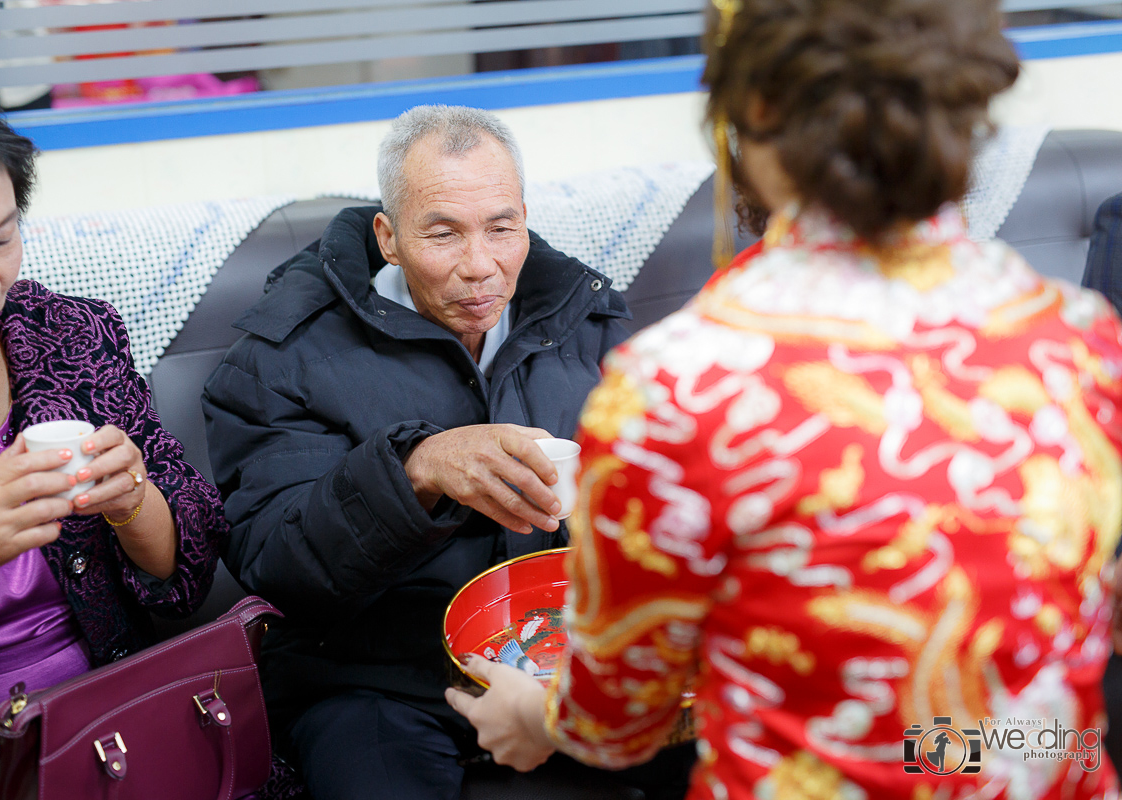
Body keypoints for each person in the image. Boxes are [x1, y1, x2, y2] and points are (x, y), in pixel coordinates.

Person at [448, 1, 1122, 798]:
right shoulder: (1079, 339)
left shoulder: (678, 384)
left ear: (755, 111)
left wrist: (530, 718)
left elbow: (618, 721)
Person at [202, 105, 696, 799]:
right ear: (390, 236)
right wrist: (416, 471)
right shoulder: (282, 358)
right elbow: (276, 565)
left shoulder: (584, 319)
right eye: (443, 234)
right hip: (378, 680)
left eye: (501, 228)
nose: (480, 267)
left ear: (524, 215)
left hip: (566, 655)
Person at [0, 65, 228, 799]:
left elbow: (183, 575)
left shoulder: (67, 336)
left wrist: (131, 502)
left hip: (113, 738)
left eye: (2, 239)